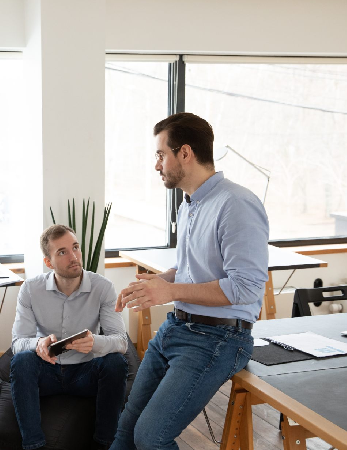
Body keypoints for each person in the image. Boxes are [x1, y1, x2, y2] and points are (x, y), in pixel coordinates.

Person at [109, 112, 269, 450]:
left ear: (185, 153)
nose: (157, 165)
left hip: (219, 338)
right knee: (125, 429)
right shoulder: (190, 206)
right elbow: (192, 272)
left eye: (160, 154)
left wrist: (169, 289)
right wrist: (160, 281)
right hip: (177, 329)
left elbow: (246, 288)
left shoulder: (236, 204)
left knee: (151, 438)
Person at [10, 224, 129, 450]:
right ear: (48, 262)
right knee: (21, 361)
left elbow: (121, 341)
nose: (73, 256)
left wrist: (96, 342)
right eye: (62, 252)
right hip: (47, 371)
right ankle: (34, 446)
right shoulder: (30, 289)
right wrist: (39, 344)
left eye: (75, 247)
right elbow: (17, 343)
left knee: (116, 363)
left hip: (85, 374)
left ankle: (104, 444)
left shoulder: (102, 287)